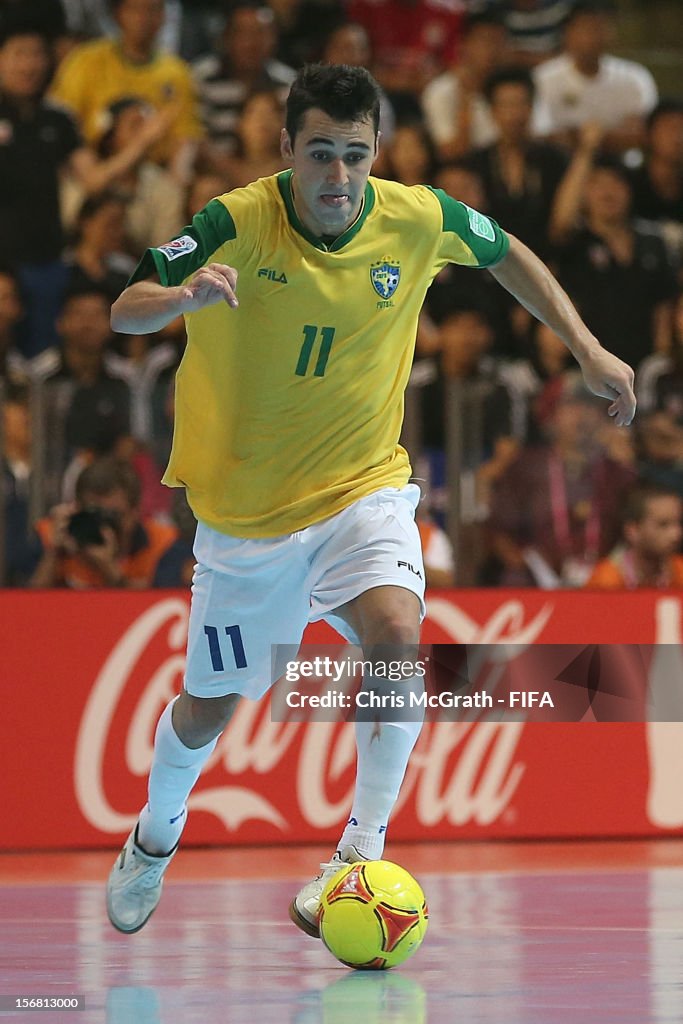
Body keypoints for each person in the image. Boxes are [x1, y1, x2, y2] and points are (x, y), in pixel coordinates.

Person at [104, 62, 635, 938]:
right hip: (247, 524)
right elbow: (125, 305)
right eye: (320, 154)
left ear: (376, 150)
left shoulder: (416, 215)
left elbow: (508, 255)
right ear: (285, 149)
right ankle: (154, 842)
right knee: (208, 709)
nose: (339, 177)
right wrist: (182, 296)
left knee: (396, 631)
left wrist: (582, 346)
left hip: (363, 489)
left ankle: (358, 853)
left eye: (355, 155)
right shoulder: (236, 219)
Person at [49, 0, 203, 183]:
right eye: (135, 10)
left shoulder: (177, 73)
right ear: (117, 14)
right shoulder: (85, 61)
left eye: (153, 10)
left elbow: (186, 136)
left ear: (164, 17)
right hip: (91, 168)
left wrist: (178, 180)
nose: (144, 18)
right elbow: (62, 119)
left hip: (152, 176)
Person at [30, 456, 178, 588]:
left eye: (113, 516)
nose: (103, 526)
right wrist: (53, 553)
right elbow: (24, 605)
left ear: (135, 512)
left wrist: (110, 571)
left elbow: (160, 602)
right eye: (94, 514)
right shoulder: (52, 533)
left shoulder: (162, 543)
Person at [532, 0, 658, 154]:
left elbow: (644, 134)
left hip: (623, 165)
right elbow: (540, 134)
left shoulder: (635, 77)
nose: (591, 37)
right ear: (567, 32)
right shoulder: (543, 78)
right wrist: (592, 137)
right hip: (562, 163)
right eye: (585, 28)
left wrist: (590, 137)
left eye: (600, 28)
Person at [585, 483, 683, 589]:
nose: (676, 534)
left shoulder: (680, 570)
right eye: (663, 525)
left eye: (678, 523)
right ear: (633, 530)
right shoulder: (606, 580)